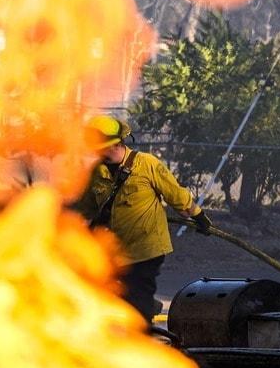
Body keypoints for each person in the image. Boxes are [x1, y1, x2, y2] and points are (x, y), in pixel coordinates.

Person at [75, 115, 213, 324]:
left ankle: (142, 331)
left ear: (114, 144)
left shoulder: (146, 164)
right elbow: (86, 207)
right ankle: (146, 308)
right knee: (107, 290)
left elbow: (176, 195)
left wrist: (198, 217)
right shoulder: (98, 172)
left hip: (145, 248)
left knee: (137, 294)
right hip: (115, 250)